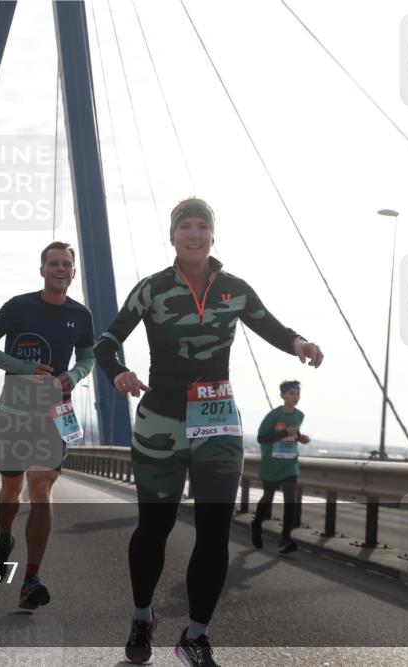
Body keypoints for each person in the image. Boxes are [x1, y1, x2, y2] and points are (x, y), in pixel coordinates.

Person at [94, 197, 324, 666]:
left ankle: (194, 636)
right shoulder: (152, 288)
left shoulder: (234, 289)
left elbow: (271, 327)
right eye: (186, 227)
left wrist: (299, 342)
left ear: (212, 236)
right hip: (159, 422)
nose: (194, 234)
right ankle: (142, 616)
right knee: (154, 529)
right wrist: (118, 371)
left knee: (215, 531)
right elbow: (107, 340)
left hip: (216, 423)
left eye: (202, 227)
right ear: (173, 236)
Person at [0, 241, 95, 611]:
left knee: (41, 487)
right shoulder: (18, 306)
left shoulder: (82, 315)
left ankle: (31, 577)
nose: (60, 269)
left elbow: (88, 358)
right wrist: (26, 369)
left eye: (67, 264)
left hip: (55, 413)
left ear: (74, 272)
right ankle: (5, 537)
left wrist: (72, 375)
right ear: (42, 270)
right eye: (54, 263)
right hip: (15, 411)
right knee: (12, 488)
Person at [251, 380, 310, 554]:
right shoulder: (273, 416)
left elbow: (294, 433)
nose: (295, 397)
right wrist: (285, 433)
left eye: (298, 393)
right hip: (271, 463)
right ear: (282, 395)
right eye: (291, 393)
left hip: (290, 464)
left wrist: (300, 438)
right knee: (267, 497)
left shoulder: (300, 415)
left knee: (290, 500)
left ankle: (285, 539)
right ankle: (256, 525)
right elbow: (261, 438)